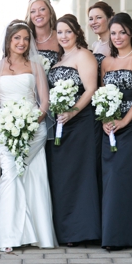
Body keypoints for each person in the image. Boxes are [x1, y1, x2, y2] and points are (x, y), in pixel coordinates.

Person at [0, 20, 56, 252]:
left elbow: (44, 101)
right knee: (10, 175)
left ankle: (33, 233)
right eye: (17, 38)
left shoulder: (35, 66)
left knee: (30, 177)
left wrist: (32, 123)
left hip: (34, 129)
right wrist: (4, 123)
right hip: (6, 129)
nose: (22, 43)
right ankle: (7, 235)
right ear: (8, 40)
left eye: (26, 39)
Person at [45, 14, 101, 245]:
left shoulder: (83, 55)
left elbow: (90, 89)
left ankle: (82, 231)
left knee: (80, 175)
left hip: (80, 124)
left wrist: (72, 112)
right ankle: (64, 230)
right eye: (59, 32)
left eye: (68, 31)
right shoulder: (59, 59)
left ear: (77, 32)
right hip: (59, 125)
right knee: (62, 177)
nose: (64, 36)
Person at [99, 13, 132, 250]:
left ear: (130, 32)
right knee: (112, 178)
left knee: (129, 178)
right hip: (111, 127)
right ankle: (113, 235)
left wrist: (124, 121)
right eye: (113, 33)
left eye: (122, 32)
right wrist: (106, 120)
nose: (118, 37)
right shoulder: (106, 62)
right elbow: (101, 96)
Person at [26, 0, 61, 70]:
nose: (37, 14)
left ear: (50, 12)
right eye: (33, 11)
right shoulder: (25, 40)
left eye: (42, 9)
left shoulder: (61, 37)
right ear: (30, 16)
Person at [87, 1, 115, 69]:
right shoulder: (95, 44)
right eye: (91, 19)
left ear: (110, 19)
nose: (94, 22)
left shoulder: (116, 44)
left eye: (98, 17)